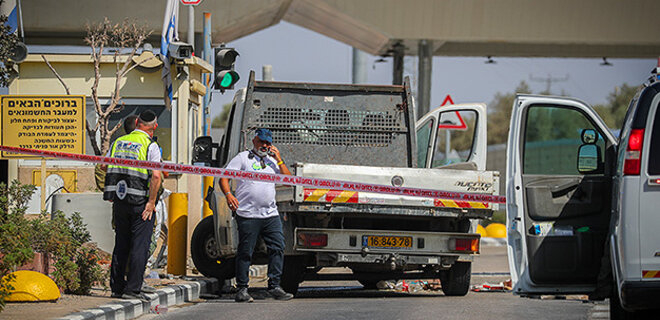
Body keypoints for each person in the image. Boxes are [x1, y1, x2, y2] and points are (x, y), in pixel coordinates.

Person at [219, 128, 294, 303]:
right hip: (248, 214)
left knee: (278, 247)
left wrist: (279, 159)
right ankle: (243, 289)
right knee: (246, 251)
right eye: (262, 142)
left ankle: (275, 286)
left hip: (270, 214)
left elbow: (289, 181)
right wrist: (229, 195)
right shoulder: (242, 158)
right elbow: (223, 178)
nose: (265, 146)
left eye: (268, 143)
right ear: (254, 141)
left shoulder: (272, 162)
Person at [103, 110, 162, 300]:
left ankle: (117, 288)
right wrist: (151, 202)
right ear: (154, 127)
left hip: (120, 201)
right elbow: (156, 175)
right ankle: (133, 289)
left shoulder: (117, 142)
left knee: (121, 244)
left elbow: (104, 166)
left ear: (137, 122)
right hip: (140, 203)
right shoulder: (150, 146)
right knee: (139, 246)